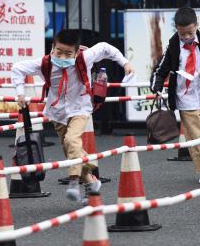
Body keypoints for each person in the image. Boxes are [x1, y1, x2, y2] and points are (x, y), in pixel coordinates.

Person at [12, 30, 133, 203]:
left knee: (71, 141)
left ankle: (75, 182)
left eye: (68, 53)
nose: (62, 57)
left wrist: (125, 63)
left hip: (80, 108)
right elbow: (18, 68)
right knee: (70, 147)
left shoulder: (85, 58)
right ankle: (91, 181)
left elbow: (106, 48)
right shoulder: (44, 63)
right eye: (58, 52)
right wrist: (20, 93)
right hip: (57, 111)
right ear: (52, 48)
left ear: (77, 52)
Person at [150, 7, 200, 184]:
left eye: (190, 33)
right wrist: (157, 88)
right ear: (176, 28)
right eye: (182, 34)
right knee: (197, 137)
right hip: (185, 99)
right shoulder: (173, 47)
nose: (186, 37)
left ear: (196, 26)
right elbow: (160, 70)